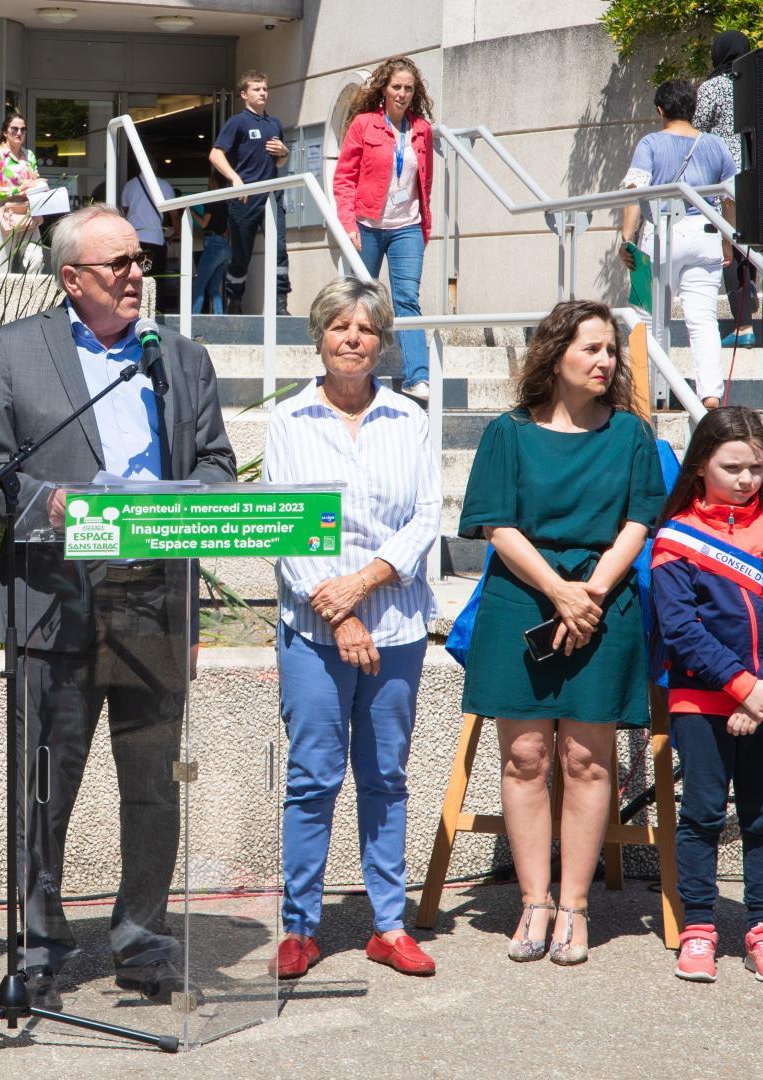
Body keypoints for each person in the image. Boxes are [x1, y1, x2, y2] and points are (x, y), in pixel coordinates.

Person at [0, 204, 236, 1005]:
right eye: (116, 263)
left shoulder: (181, 359)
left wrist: (187, 499)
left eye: (140, 262)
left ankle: (143, 939)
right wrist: (54, 506)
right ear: (71, 279)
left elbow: (219, 463)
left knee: (152, 784)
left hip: (153, 599)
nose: (133, 276)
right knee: (44, 782)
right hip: (53, 603)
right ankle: (39, 943)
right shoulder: (15, 351)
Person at [457, 299, 664, 966]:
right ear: (555, 355)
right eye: (592, 349)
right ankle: (534, 902)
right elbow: (497, 523)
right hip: (524, 599)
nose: (605, 361)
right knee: (524, 759)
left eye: (610, 349)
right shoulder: (508, 434)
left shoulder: (630, 435)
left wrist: (592, 594)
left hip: (604, 601)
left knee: (586, 758)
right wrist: (558, 592)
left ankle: (574, 907)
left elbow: (639, 521)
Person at [260, 278, 441, 980]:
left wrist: (363, 588)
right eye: (340, 326)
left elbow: (426, 518)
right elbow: (283, 528)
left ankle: (387, 926)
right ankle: (300, 926)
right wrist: (336, 614)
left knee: (385, 777)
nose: (353, 339)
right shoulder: (288, 421)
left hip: (393, 628)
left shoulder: (408, 420)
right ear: (319, 335)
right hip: (313, 630)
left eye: (366, 328)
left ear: (382, 340)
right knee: (312, 777)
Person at [651, 407, 763, 984]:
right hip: (704, 700)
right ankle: (698, 927)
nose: (746, 480)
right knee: (702, 814)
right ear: (700, 467)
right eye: (732, 467)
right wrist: (742, 688)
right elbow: (681, 629)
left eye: (756, 469)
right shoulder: (676, 536)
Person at [619, 79, 737, 409]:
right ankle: (710, 393)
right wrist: (728, 238)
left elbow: (633, 191)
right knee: (703, 319)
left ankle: (648, 388)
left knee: (646, 314)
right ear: (693, 109)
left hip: (658, 232)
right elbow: (730, 199)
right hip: (706, 232)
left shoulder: (650, 144)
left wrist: (626, 240)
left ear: (660, 110)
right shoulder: (715, 145)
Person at [333, 56, 436, 400]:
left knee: (407, 298)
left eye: (408, 88)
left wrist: (425, 225)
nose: (402, 94)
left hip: (407, 225)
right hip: (366, 224)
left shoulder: (421, 129)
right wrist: (348, 223)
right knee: (359, 299)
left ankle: (417, 377)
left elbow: (426, 182)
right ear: (384, 88)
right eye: (396, 87)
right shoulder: (363, 124)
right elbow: (344, 178)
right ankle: (351, 372)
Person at [693, 30, 760, 348]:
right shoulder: (759, 82)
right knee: (750, 245)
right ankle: (751, 305)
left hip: (726, 179)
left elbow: (698, 129)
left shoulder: (712, 87)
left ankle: (744, 324)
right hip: (758, 174)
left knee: (729, 250)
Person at [210, 70, 291, 314]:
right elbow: (215, 154)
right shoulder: (238, 122)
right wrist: (235, 179)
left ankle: (280, 304)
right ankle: (234, 302)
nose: (263, 93)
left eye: (265, 89)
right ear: (244, 94)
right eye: (257, 89)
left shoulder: (274, 123)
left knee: (279, 250)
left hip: (271, 195)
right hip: (245, 197)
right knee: (241, 254)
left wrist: (284, 153)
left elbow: (277, 163)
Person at [0, 112, 46, 274]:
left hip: (28, 215)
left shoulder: (29, 155)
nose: (19, 133)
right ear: (5, 132)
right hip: (2, 216)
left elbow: (35, 180)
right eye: (14, 129)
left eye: (23, 130)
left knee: (36, 260)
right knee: (1, 269)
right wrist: (20, 189)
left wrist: (40, 185)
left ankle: (30, 299)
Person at [118, 173, 179, 310]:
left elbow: (125, 214)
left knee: (134, 277)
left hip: (134, 239)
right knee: (157, 278)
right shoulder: (164, 185)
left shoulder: (130, 185)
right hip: (155, 239)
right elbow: (174, 214)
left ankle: (134, 308)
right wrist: (178, 232)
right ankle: (157, 310)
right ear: (155, 167)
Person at [193, 173, 232, 315]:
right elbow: (226, 228)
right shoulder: (226, 203)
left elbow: (204, 224)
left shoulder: (212, 200)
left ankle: (193, 320)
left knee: (199, 285)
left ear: (215, 183)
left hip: (213, 244)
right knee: (213, 288)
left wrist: (189, 211)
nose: (207, 184)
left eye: (209, 181)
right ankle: (219, 320)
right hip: (224, 246)